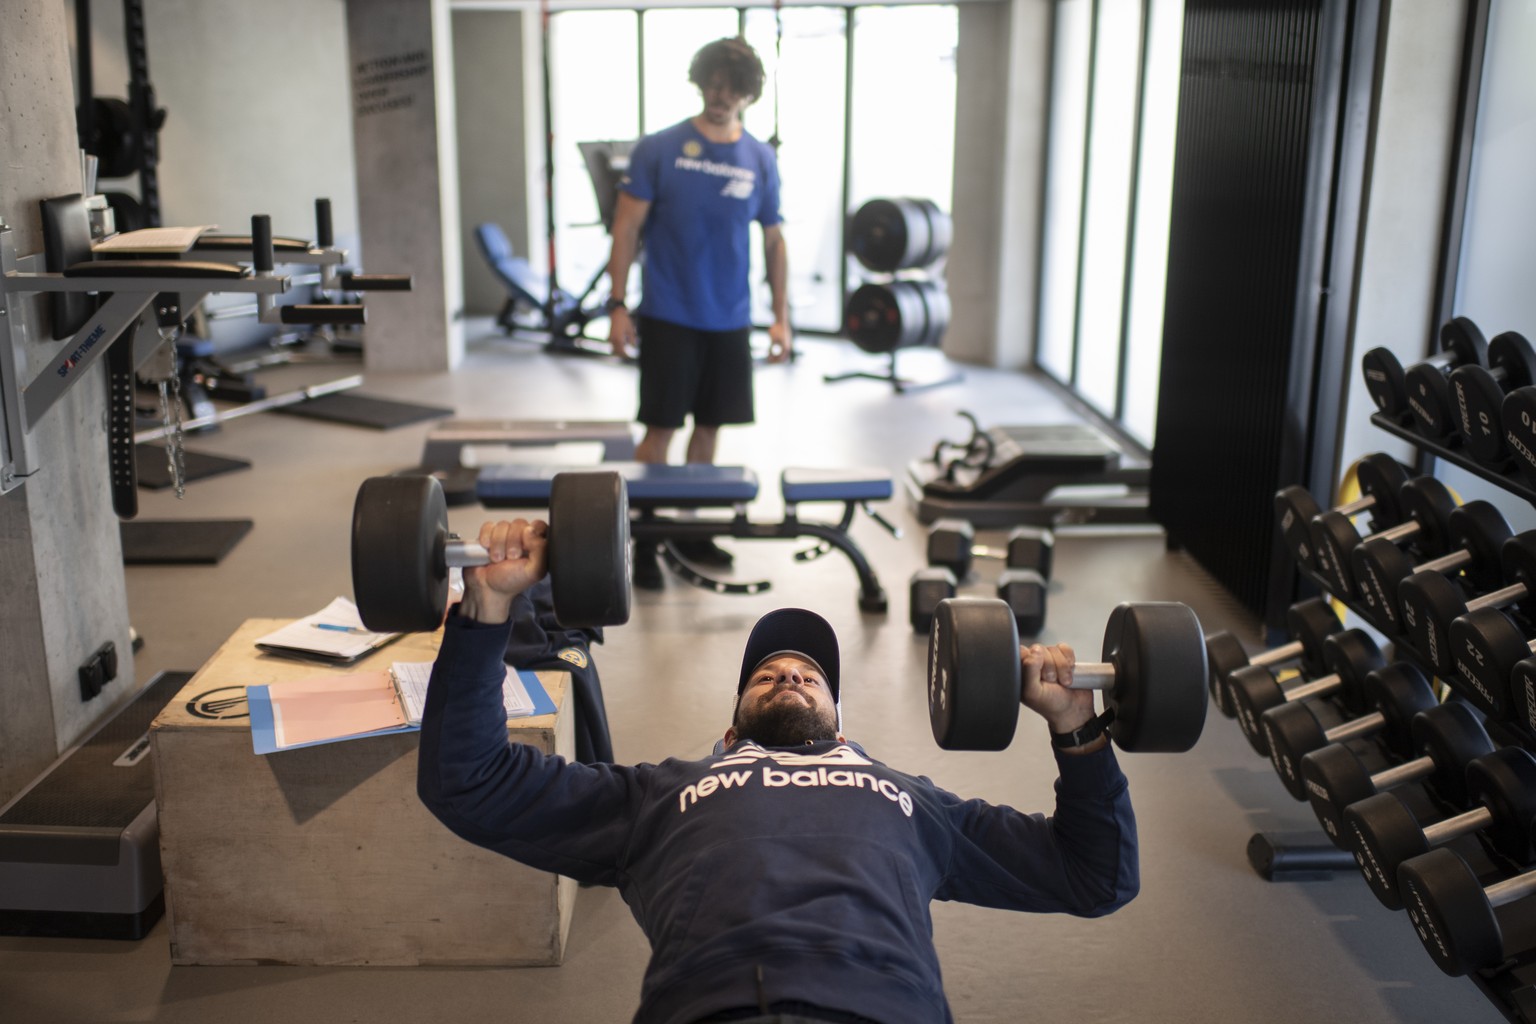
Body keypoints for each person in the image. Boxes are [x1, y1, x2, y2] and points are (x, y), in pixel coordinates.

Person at [417, 518, 1139, 1024]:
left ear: (842, 732)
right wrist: (488, 605)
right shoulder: (659, 793)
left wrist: (1077, 726)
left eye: (808, 674)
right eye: (769, 672)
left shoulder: (915, 803)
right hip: (713, 1004)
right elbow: (469, 780)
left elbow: (1093, 876)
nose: (791, 673)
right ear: (729, 734)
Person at [605, 36, 792, 585]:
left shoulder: (759, 157)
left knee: (709, 427)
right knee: (660, 427)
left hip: (729, 318)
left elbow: (775, 240)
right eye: (712, 83)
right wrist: (617, 306)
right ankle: (644, 535)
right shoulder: (660, 148)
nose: (719, 95)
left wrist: (781, 315)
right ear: (700, 81)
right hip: (668, 313)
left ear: (747, 95)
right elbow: (626, 227)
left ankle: (693, 534)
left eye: (731, 88)